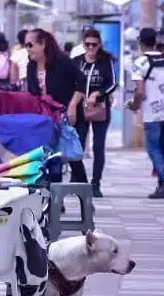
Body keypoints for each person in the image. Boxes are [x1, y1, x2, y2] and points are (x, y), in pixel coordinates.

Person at [26, 28, 87, 185]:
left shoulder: (61, 61)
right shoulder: (31, 66)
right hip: (45, 119)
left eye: (30, 45)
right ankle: (56, 201)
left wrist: (73, 104)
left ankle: (86, 197)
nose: (28, 49)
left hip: (67, 116)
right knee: (51, 158)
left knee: (71, 156)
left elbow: (82, 79)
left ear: (42, 44)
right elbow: (32, 94)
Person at [129, 27, 164, 199]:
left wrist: (134, 105)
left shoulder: (140, 63)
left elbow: (139, 92)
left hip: (152, 113)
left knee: (153, 148)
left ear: (141, 43)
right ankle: (162, 184)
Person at [71, 27, 118, 196]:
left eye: (94, 45)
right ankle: (76, 179)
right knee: (77, 146)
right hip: (80, 109)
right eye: (87, 44)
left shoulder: (106, 62)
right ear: (83, 44)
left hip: (100, 108)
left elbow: (113, 83)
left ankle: (96, 183)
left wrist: (99, 93)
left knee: (98, 147)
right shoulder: (76, 61)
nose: (91, 48)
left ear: (99, 45)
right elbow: (70, 82)